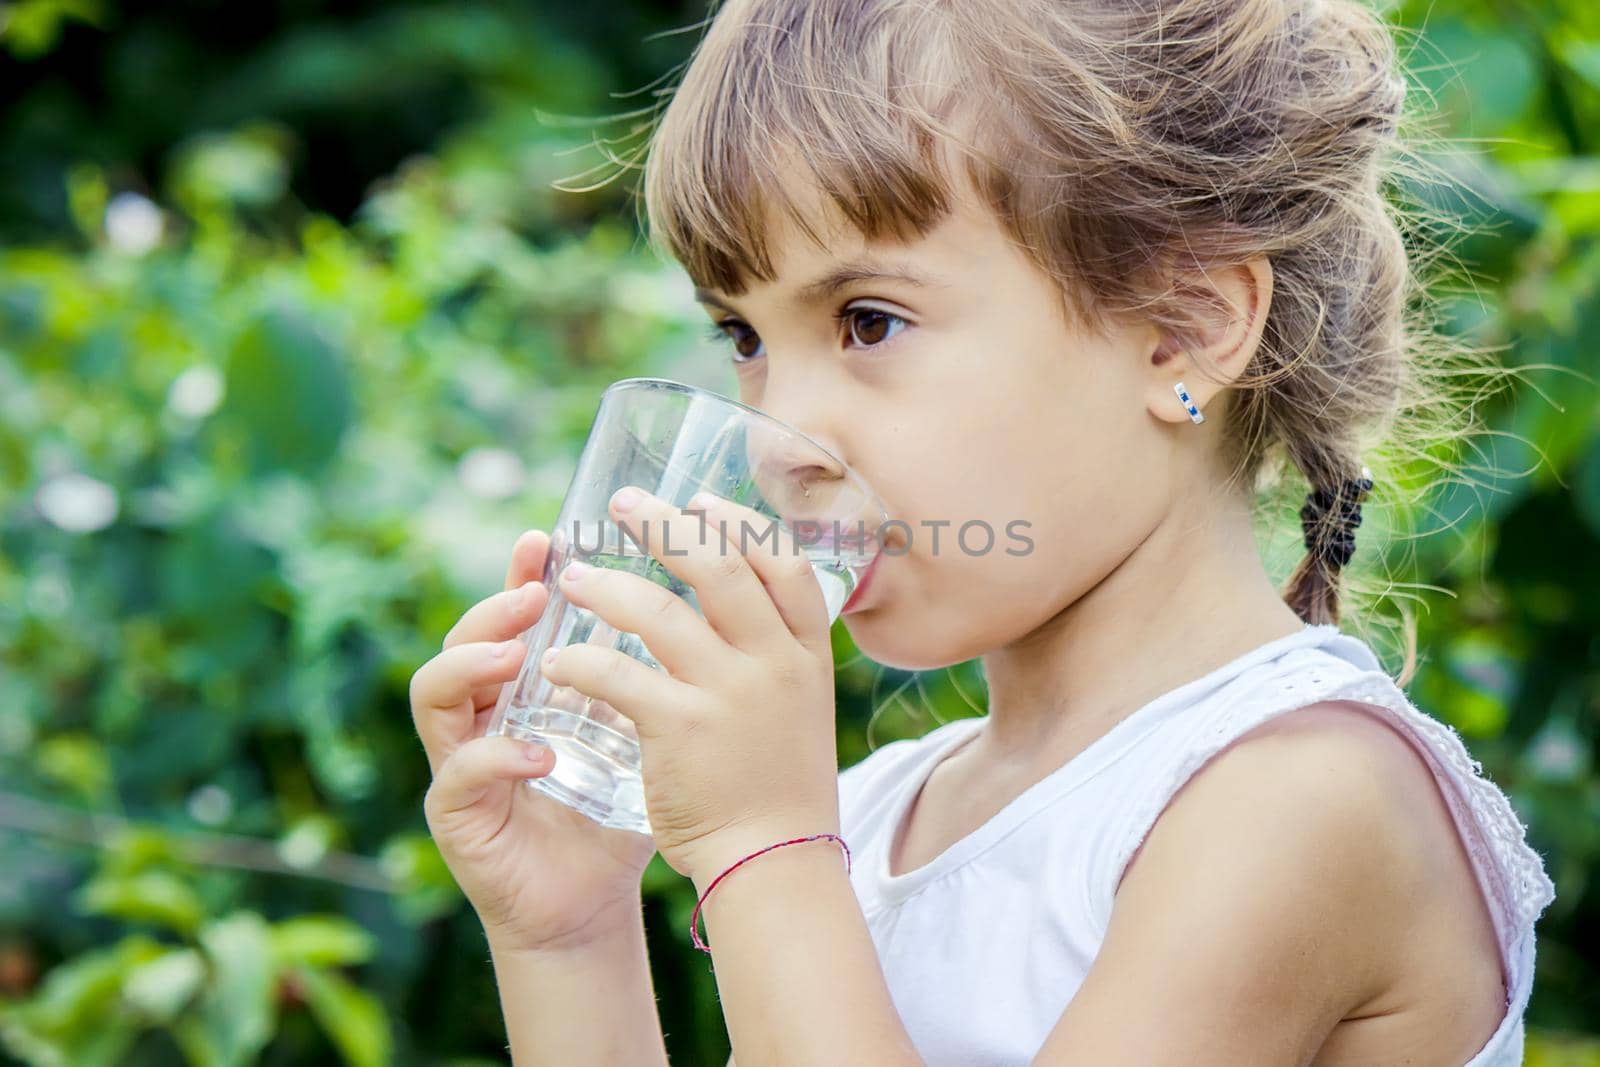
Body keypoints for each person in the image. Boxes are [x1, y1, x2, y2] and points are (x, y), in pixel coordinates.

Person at [406, 0, 1558, 1062]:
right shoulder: (875, 812)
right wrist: (569, 933)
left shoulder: (1299, 801)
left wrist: (764, 849)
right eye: (744, 340)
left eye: (868, 321)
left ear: (1183, 329)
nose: (779, 435)